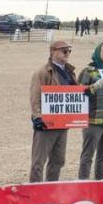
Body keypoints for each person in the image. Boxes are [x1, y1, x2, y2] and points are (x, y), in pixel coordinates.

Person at [29, 40, 77, 182]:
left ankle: (51, 190)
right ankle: (35, 192)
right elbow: (35, 97)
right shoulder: (42, 72)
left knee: (58, 161)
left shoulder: (70, 72)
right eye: (64, 51)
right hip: (46, 124)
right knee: (38, 162)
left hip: (63, 124)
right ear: (53, 52)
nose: (67, 53)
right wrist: (37, 117)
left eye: (69, 51)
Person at [77, 41, 103, 180]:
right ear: (98, 53)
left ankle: (100, 184)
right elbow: (79, 93)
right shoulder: (88, 71)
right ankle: (83, 184)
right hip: (93, 121)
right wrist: (96, 86)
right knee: (87, 156)